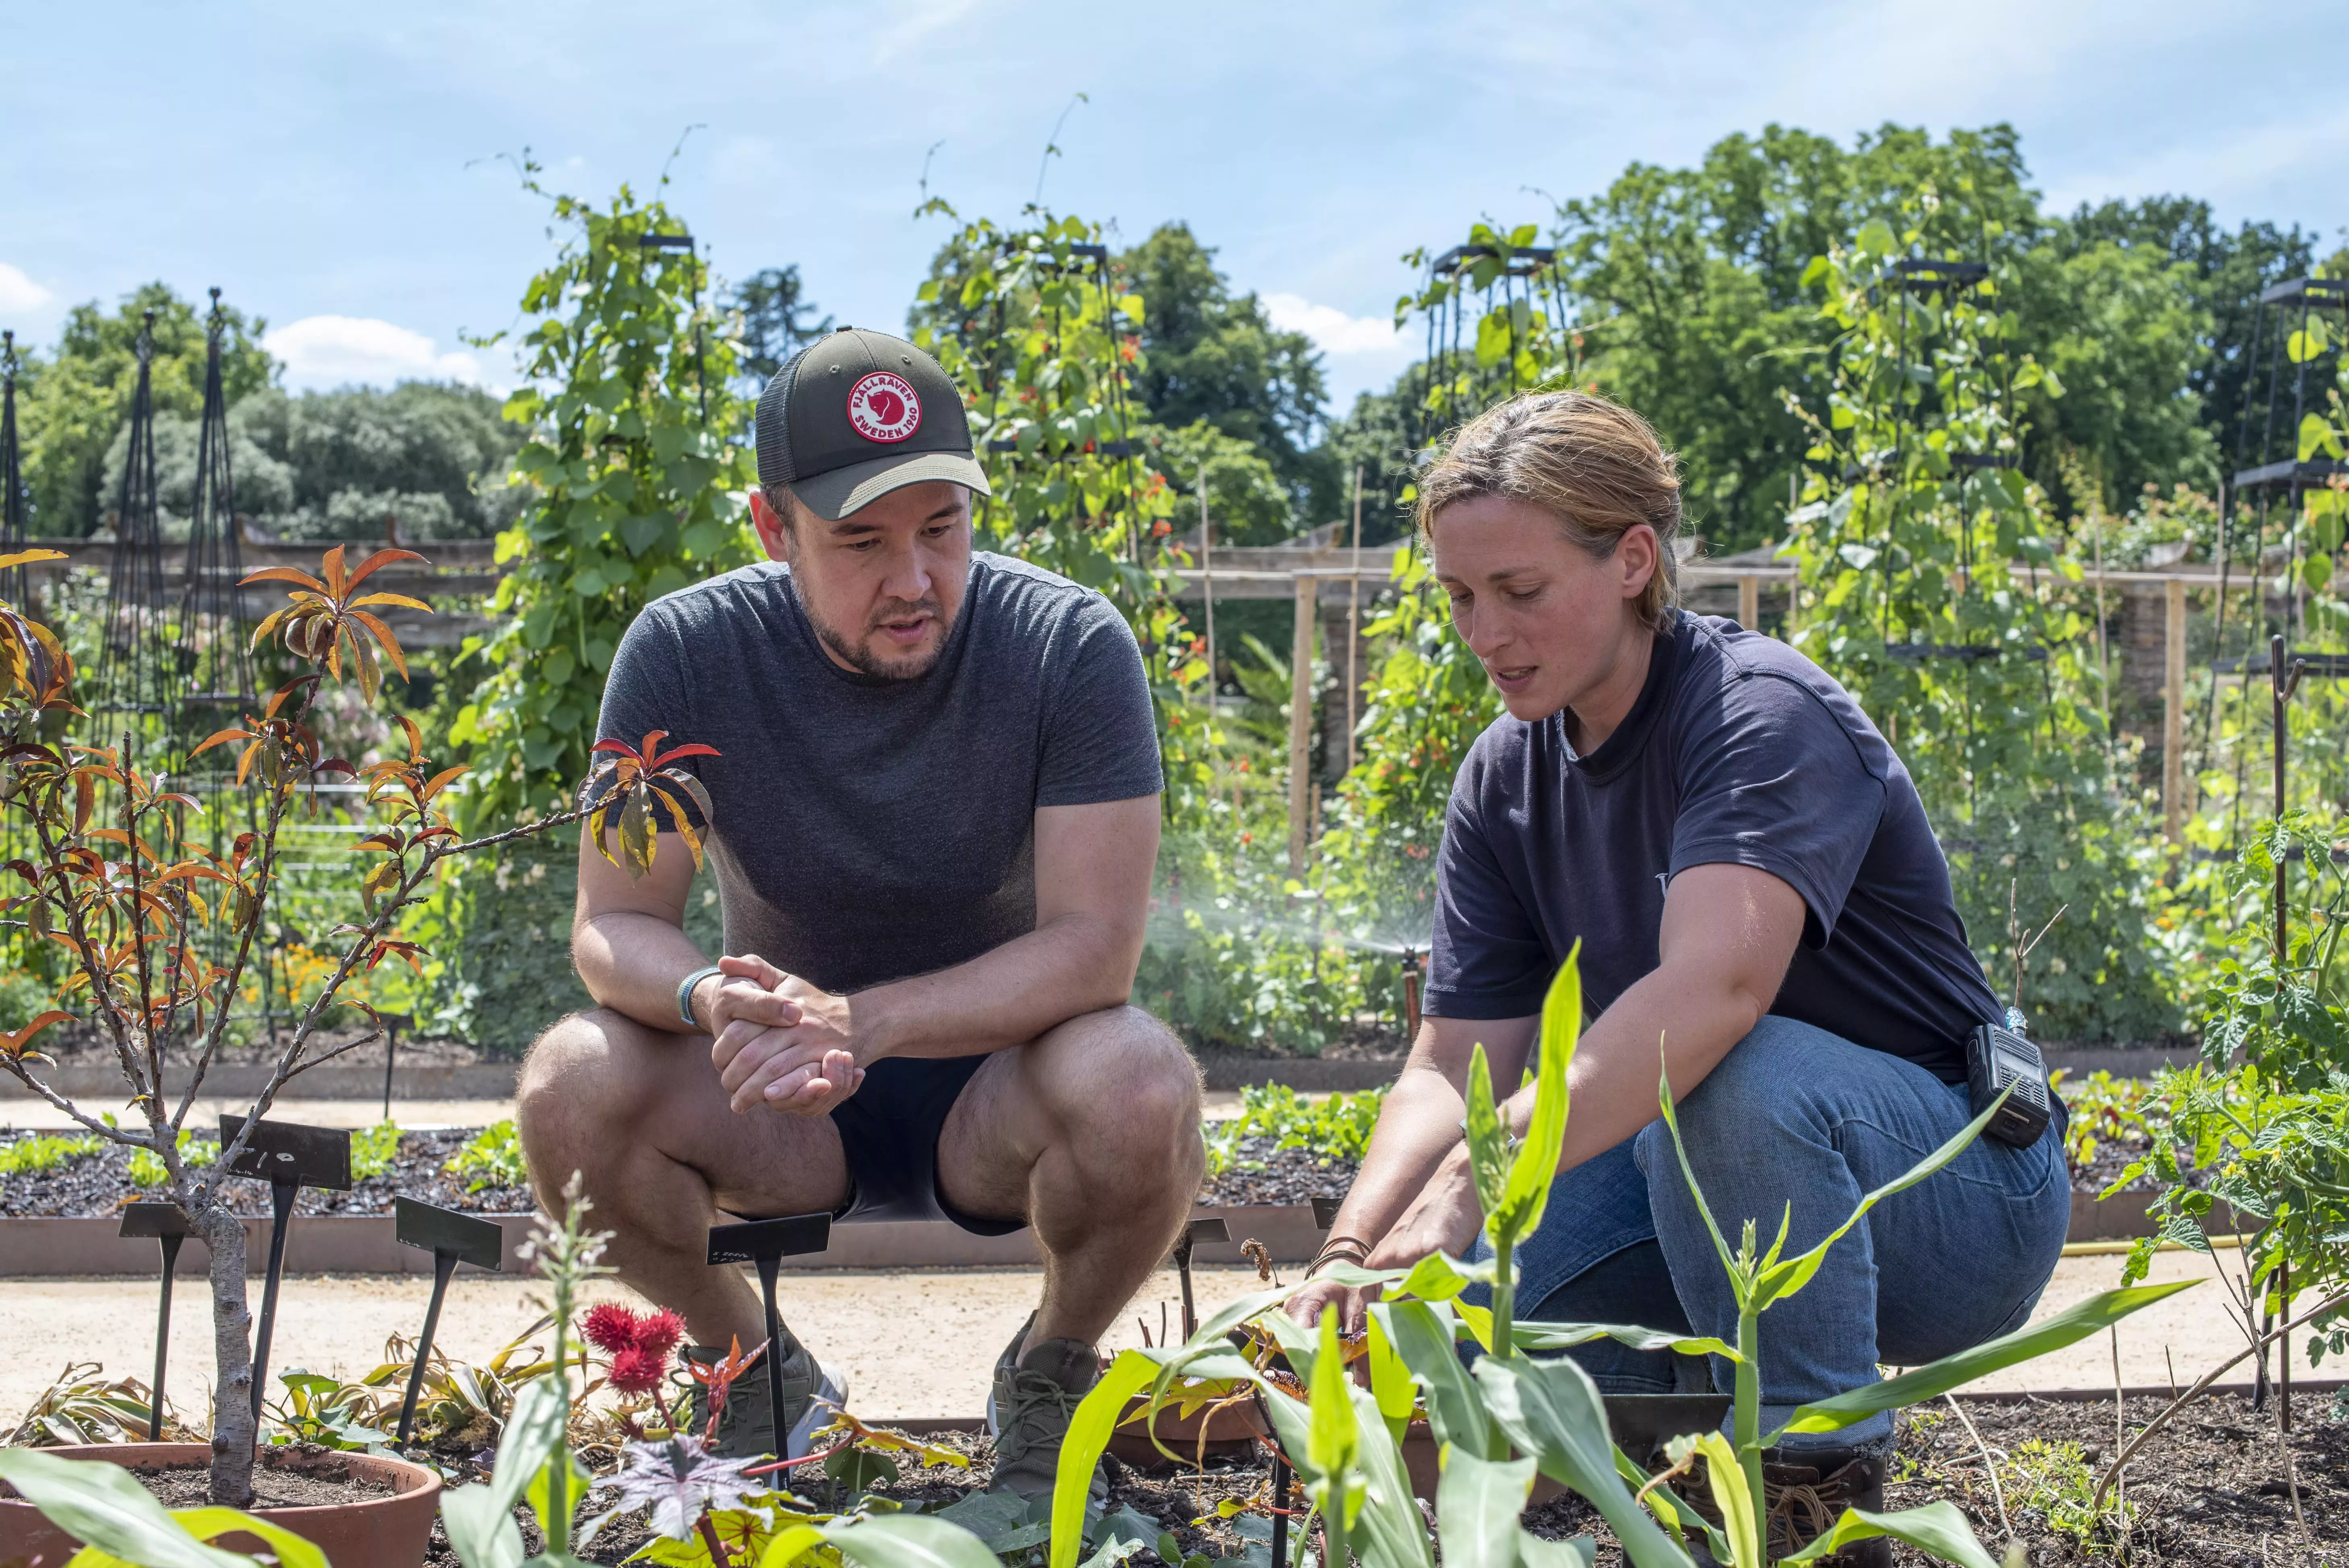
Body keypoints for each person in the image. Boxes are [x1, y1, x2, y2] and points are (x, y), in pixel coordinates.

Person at [1286, 392, 2068, 1565]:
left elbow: (1717, 993)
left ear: (1633, 559)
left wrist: (1467, 1185)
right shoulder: (1506, 779)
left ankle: (1817, 1513)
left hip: (1956, 1188)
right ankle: (1679, 1476)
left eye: (1521, 590)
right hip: (1706, 1183)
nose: (1484, 631)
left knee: (1722, 1075)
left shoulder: (1758, 715)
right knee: (1456, 1325)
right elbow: (1453, 1060)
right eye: (1459, 595)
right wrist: (1355, 1247)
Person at [517, 326, 1203, 1499]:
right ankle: (761, 1375)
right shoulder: (687, 651)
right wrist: (703, 991)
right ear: (772, 528)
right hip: (777, 1095)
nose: (916, 580)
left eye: (943, 529)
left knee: (1144, 1079)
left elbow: (1097, 948)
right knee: (569, 1083)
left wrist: (865, 1020)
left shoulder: (1068, 647)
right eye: (863, 541)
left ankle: (1049, 1378)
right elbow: (611, 920)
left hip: (1007, 1090)